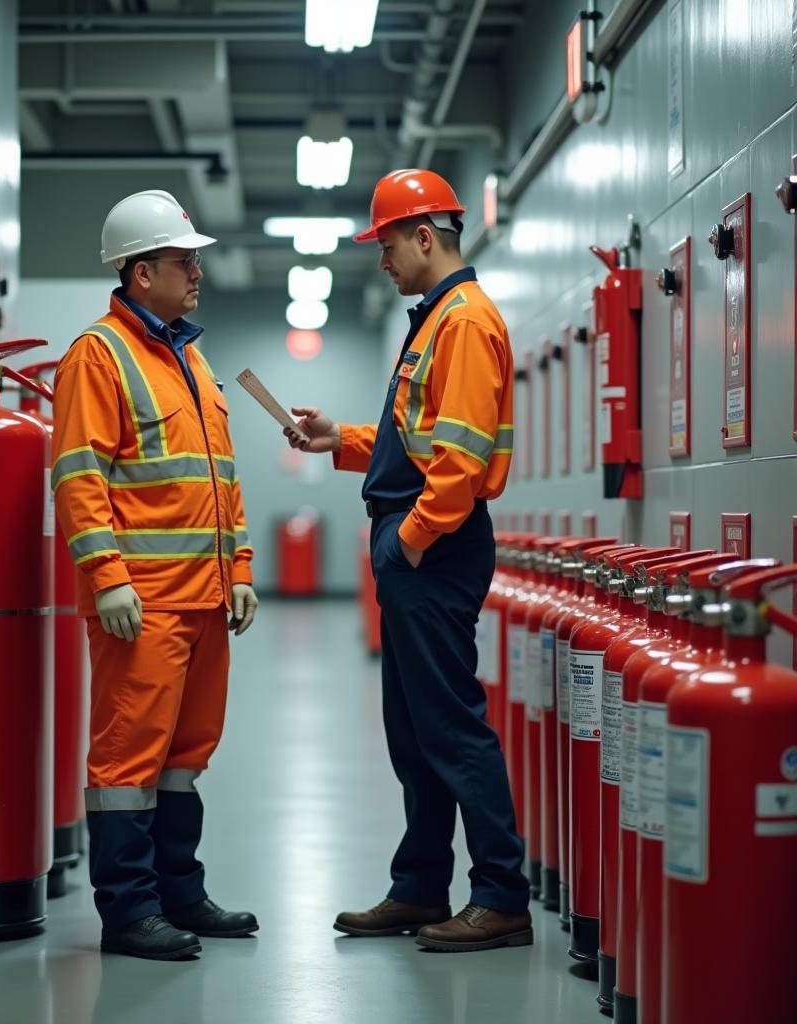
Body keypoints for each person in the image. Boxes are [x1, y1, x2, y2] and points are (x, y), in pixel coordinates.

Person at [287, 169, 530, 952]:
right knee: (413, 730)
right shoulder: (435, 321)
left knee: (453, 728)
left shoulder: (462, 322)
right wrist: (341, 440)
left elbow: (455, 464)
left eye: (387, 244)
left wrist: (409, 542)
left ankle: (500, 895)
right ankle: (420, 887)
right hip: (418, 545)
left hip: (435, 548)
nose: (382, 260)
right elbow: (413, 441)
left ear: (424, 237)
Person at [52, 189, 259, 961]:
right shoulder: (98, 356)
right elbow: (79, 477)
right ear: (141, 273)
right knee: (127, 764)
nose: (196, 270)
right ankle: (129, 913)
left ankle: (180, 894)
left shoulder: (190, 357)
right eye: (182, 259)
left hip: (205, 601)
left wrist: (238, 567)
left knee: (184, 759)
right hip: (141, 603)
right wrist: (106, 578)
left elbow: (222, 480)